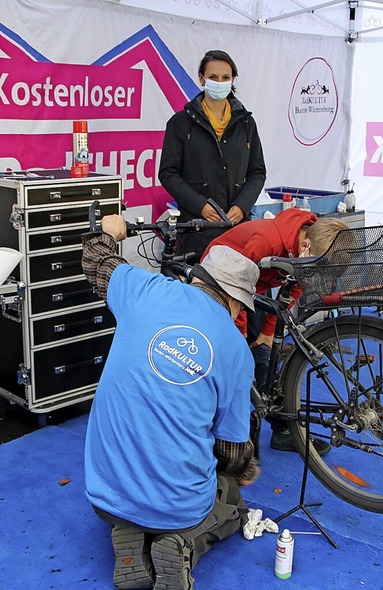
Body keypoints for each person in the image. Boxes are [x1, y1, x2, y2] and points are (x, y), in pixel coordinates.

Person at [81, 215, 260, 590]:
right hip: (177, 509)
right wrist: (244, 467)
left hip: (103, 493)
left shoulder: (144, 289)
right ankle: (181, 544)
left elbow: (94, 258)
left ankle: (129, 531)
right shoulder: (237, 351)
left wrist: (111, 232)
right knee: (232, 501)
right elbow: (230, 450)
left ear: (198, 277)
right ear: (233, 301)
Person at [201, 207, 350, 455]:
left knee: (265, 359)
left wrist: (268, 332)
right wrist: (237, 341)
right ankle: (220, 438)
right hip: (220, 284)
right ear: (304, 246)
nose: (312, 275)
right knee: (232, 365)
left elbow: (296, 287)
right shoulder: (266, 240)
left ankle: (282, 431)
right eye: (312, 267)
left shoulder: (309, 245)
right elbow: (233, 290)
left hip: (255, 286)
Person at [158, 49, 266, 260]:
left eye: (225, 77)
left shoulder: (246, 123)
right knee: (198, 288)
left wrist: (242, 206)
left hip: (237, 229)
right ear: (201, 78)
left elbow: (257, 172)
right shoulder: (180, 123)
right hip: (196, 230)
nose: (220, 82)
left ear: (233, 79)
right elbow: (168, 173)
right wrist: (201, 206)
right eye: (213, 77)